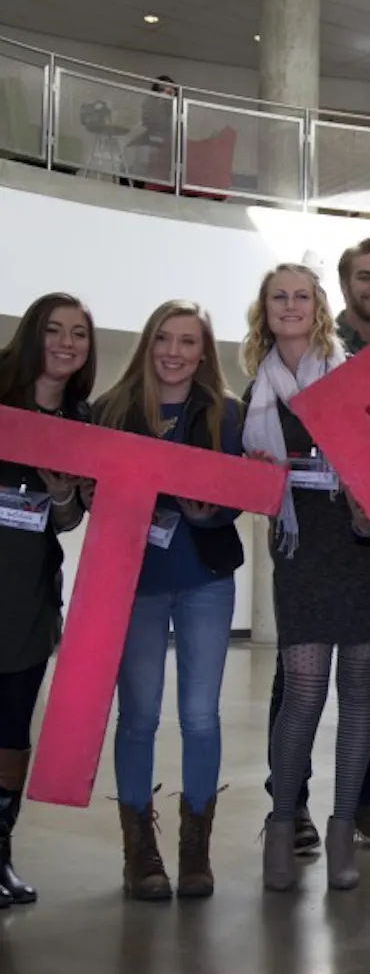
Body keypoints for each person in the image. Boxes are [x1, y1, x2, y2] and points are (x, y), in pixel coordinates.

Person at [263, 238, 370, 855]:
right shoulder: (309, 346)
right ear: (344, 285)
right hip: (310, 537)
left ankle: (365, 799)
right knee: (297, 683)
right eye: (365, 277)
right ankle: (290, 805)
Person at [93, 301, 244, 901]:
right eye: (164, 338)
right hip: (134, 584)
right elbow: (97, 494)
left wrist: (213, 512)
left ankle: (194, 850)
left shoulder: (226, 413)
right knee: (138, 717)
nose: (174, 352)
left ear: (204, 352)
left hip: (206, 579)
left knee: (201, 717)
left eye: (187, 341)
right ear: (147, 344)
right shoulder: (112, 410)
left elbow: (239, 492)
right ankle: (140, 852)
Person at [0, 294, 94, 909]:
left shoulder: (81, 421)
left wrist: (62, 496)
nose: (65, 343)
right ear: (33, 334)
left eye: (79, 334)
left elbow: (66, 520)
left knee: (11, 729)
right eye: (55, 330)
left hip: (27, 597)